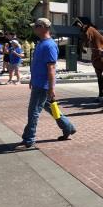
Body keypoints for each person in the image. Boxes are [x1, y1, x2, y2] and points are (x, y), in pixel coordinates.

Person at [18, 18, 76, 149]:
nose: (34, 28)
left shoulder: (49, 45)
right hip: (38, 83)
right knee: (51, 109)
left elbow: (51, 68)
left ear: (44, 27)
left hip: (42, 85)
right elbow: (38, 64)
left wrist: (51, 88)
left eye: (36, 26)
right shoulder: (41, 43)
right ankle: (69, 128)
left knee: (33, 112)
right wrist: (32, 79)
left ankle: (29, 139)